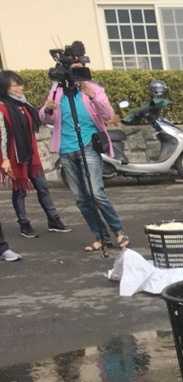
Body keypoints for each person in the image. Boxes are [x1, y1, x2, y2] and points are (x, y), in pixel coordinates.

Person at [40, 45, 129, 253]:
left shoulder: (94, 88)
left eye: (80, 69)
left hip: (88, 144)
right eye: (73, 69)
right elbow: (43, 117)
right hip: (66, 148)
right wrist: (47, 109)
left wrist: (93, 97)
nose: (77, 74)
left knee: (95, 192)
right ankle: (100, 236)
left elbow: (108, 114)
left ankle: (119, 231)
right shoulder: (57, 91)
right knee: (81, 198)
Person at [0, 71, 70, 239]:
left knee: (42, 186)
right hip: (15, 155)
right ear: (5, 87)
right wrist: (5, 159)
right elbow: (2, 134)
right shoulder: (2, 107)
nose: (19, 88)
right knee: (20, 191)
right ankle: (24, 223)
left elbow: (37, 122)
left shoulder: (24, 105)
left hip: (30, 153)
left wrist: (46, 108)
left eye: (20, 84)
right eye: (15, 85)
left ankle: (53, 220)